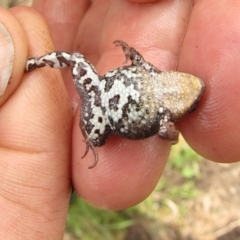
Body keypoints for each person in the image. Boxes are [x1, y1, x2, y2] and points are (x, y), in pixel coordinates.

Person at [0, 0, 239, 239]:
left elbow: (140, 62)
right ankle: (35, 64)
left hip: (99, 100)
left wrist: (131, 53)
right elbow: (167, 134)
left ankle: (35, 64)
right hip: (101, 102)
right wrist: (172, 134)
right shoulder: (163, 109)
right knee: (76, 65)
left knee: (75, 60)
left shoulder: (155, 81)